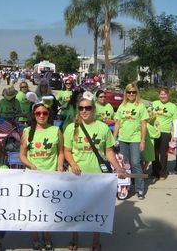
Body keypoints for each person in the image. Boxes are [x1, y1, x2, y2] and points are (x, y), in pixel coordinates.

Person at [63, 92, 126, 251]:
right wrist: (73, 164)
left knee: (96, 209)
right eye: (81, 108)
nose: (84, 111)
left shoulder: (103, 127)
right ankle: (74, 239)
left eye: (88, 108)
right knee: (76, 209)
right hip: (77, 175)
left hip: (98, 176)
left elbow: (109, 151)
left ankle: (95, 241)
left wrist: (118, 167)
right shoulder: (72, 128)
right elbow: (67, 151)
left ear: (93, 109)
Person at [19, 102, 65, 251]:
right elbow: (22, 155)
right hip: (32, 178)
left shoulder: (56, 130)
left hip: (51, 177)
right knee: (33, 210)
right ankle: (35, 239)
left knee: (49, 210)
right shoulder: (27, 131)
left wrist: (59, 166)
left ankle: (48, 239)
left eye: (44, 113)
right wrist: (31, 166)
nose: (41, 116)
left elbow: (61, 152)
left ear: (49, 114)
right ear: (34, 115)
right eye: (38, 113)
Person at [113, 83, 149, 200]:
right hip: (123, 139)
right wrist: (114, 138)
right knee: (125, 164)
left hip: (135, 139)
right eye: (129, 92)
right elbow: (117, 123)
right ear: (126, 93)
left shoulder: (141, 106)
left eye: (133, 92)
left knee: (135, 163)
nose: (131, 94)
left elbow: (144, 124)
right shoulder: (122, 106)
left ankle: (139, 189)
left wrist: (143, 140)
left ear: (136, 93)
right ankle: (126, 187)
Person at [150, 87, 177, 179]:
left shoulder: (173, 106)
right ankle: (155, 172)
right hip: (154, 132)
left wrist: (175, 135)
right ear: (159, 95)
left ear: (168, 95)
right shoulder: (154, 104)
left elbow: (175, 121)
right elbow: (148, 115)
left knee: (163, 154)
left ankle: (162, 173)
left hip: (165, 133)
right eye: (161, 94)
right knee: (154, 154)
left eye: (165, 94)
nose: (163, 96)